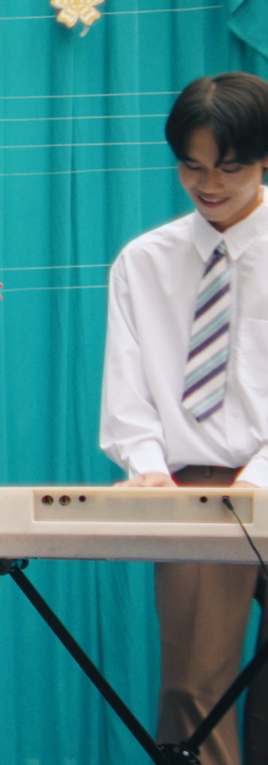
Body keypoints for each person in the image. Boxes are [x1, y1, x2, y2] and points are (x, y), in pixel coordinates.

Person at [102, 72, 268, 765]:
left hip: (263, 471)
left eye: (228, 167)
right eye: (191, 166)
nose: (208, 184)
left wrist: (258, 478)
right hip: (195, 486)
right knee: (193, 695)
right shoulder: (144, 261)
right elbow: (127, 394)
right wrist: (146, 468)